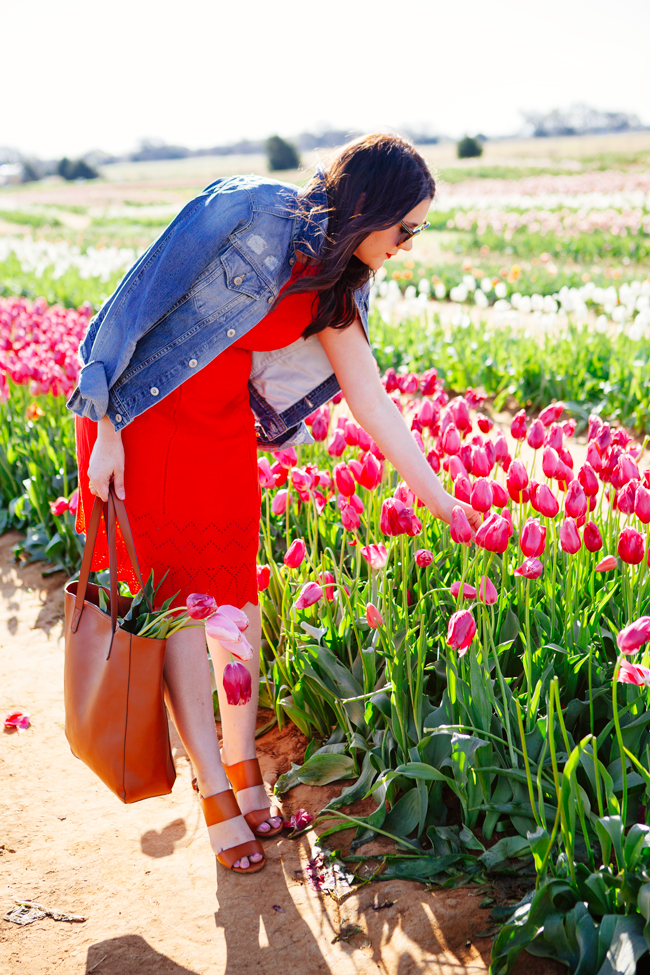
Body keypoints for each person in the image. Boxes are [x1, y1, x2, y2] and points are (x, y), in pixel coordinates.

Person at [68, 133, 481, 875]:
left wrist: (445, 502)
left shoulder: (339, 284)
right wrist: (103, 429)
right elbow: (129, 305)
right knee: (184, 613)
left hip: (219, 433)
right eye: (407, 228)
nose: (410, 245)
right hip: (142, 419)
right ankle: (219, 788)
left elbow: (375, 405)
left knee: (238, 608)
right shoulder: (247, 210)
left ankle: (241, 760)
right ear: (370, 206)